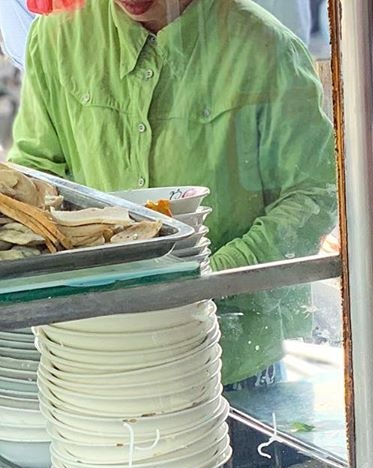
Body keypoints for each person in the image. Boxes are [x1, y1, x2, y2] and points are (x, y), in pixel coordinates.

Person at [8, 0, 337, 386]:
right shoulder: (57, 36)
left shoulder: (266, 47)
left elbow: (313, 194)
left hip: (233, 355)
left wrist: (212, 278)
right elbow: (35, 175)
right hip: (98, 351)